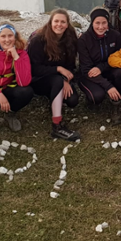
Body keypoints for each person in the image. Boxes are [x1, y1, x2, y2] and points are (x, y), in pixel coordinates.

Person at [28, 8, 81, 141]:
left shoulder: (70, 38)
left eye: (63, 22)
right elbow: (33, 68)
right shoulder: (38, 40)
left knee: (72, 101)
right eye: (56, 21)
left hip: (58, 79)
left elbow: (70, 66)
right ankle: (57, 126)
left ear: (67, 24)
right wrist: (58, 69)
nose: (59, 24)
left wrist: (66, 80)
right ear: (50, 22)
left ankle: (53, 96)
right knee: (57, 82)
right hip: (38, 80)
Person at [78, 7, 121, 123]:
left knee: (120, 72)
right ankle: (92, 99)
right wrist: (108, 86)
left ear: (108, 23)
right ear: (92, 23)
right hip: (89, 74)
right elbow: (86, 69)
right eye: (97, 23)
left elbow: (119, 58)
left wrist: (101, 67)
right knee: (97, 96)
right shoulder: (84, 40)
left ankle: (116, 105)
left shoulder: (115, 36)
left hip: (108, 69)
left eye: (104, 23)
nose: (101, 26)